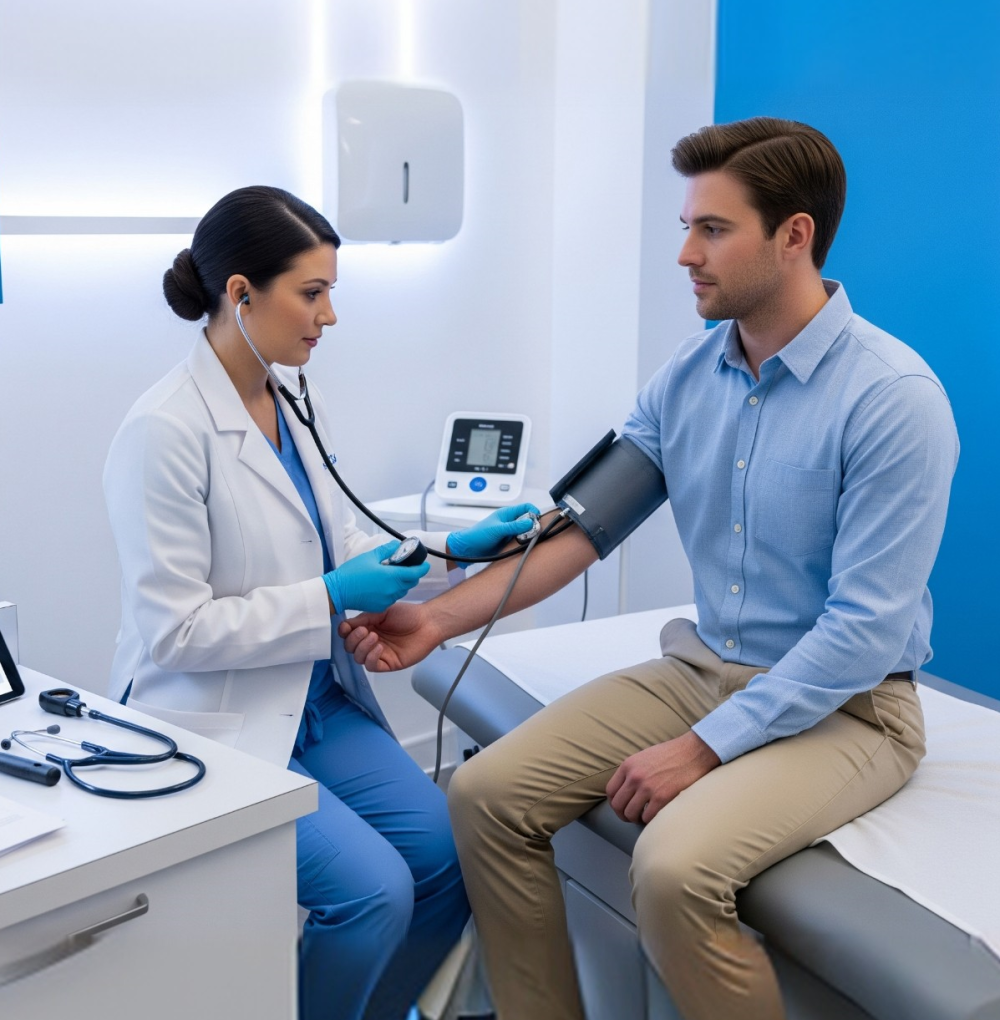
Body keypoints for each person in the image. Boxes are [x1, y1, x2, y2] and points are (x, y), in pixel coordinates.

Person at [339, 118, 960, 1020]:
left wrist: (705, 749)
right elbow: (583, 528)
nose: (684, 255)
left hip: (850, 707)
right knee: (483, 793)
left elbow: (863, 631)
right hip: (702, 666)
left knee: (671, 868)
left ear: (795, 236)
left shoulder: (893, 401)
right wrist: (438, 617)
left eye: (712, 230)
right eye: (686, 227)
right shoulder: (688, 375)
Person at [102, 185, 540, 1020]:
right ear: (241, 293)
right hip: (215, 717)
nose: (329, 316)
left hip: (318, 703)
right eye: (312, 292)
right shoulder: (162, 430)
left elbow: (342, 558)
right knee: (372, 893)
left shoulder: (294, 398)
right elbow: (174, 632)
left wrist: (456, 549)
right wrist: (330, 596)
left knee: (452, 860)